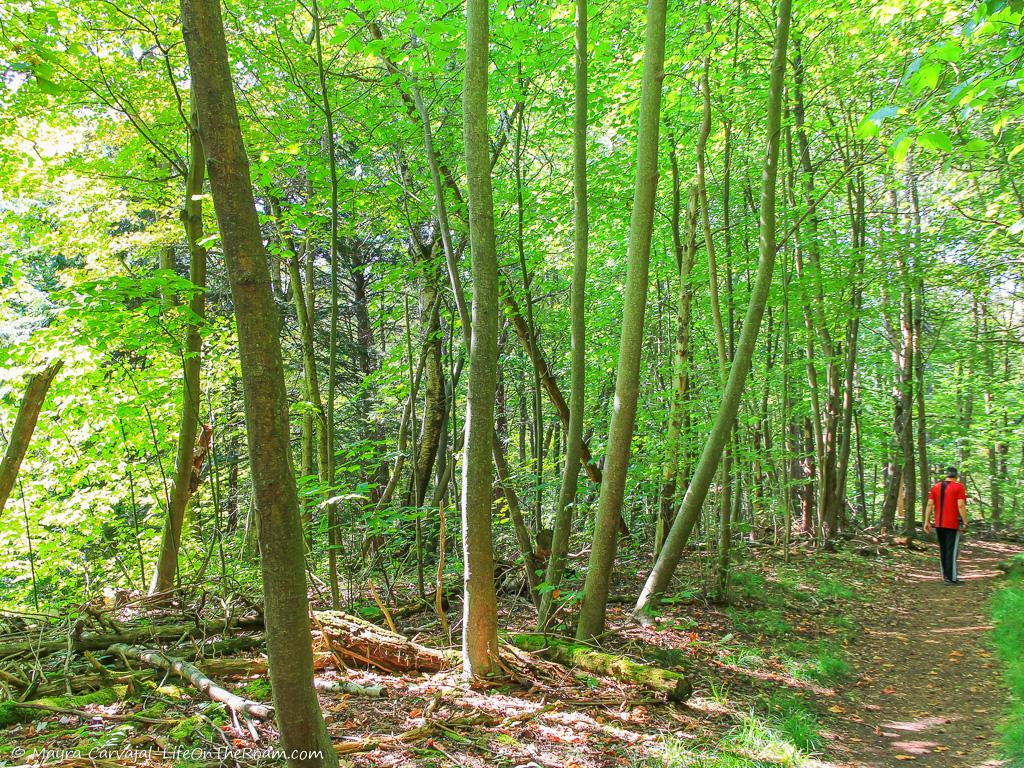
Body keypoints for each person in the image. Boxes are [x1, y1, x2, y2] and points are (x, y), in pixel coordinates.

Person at [924, 467, 968, 585]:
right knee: (951, 550)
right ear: (956, 476)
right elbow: (961, 505)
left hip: (939, 524)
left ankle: (945, 577)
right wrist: (965, 522)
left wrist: (926, 521)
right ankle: (952, 578)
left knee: (943, 549)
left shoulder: (936, 487)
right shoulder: (959, 487)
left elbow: (929, 504)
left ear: (946, 475)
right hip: (952, 524)